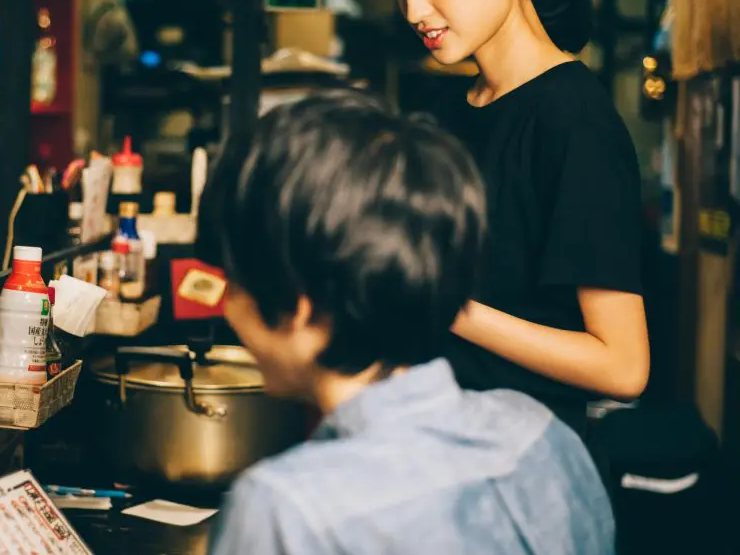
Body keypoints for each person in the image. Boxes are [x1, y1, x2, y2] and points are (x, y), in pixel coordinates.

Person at [198, 96, 615, 555]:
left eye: (234, 284)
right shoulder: (542, 435)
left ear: (299, 308)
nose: (226, 307)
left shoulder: (284, 509)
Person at [377, 0, 649, 434]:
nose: (413, 9)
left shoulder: (573, 120)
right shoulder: (448, 112)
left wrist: (451, 309)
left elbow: (623, 366)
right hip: (438, 447)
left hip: (526, 474)